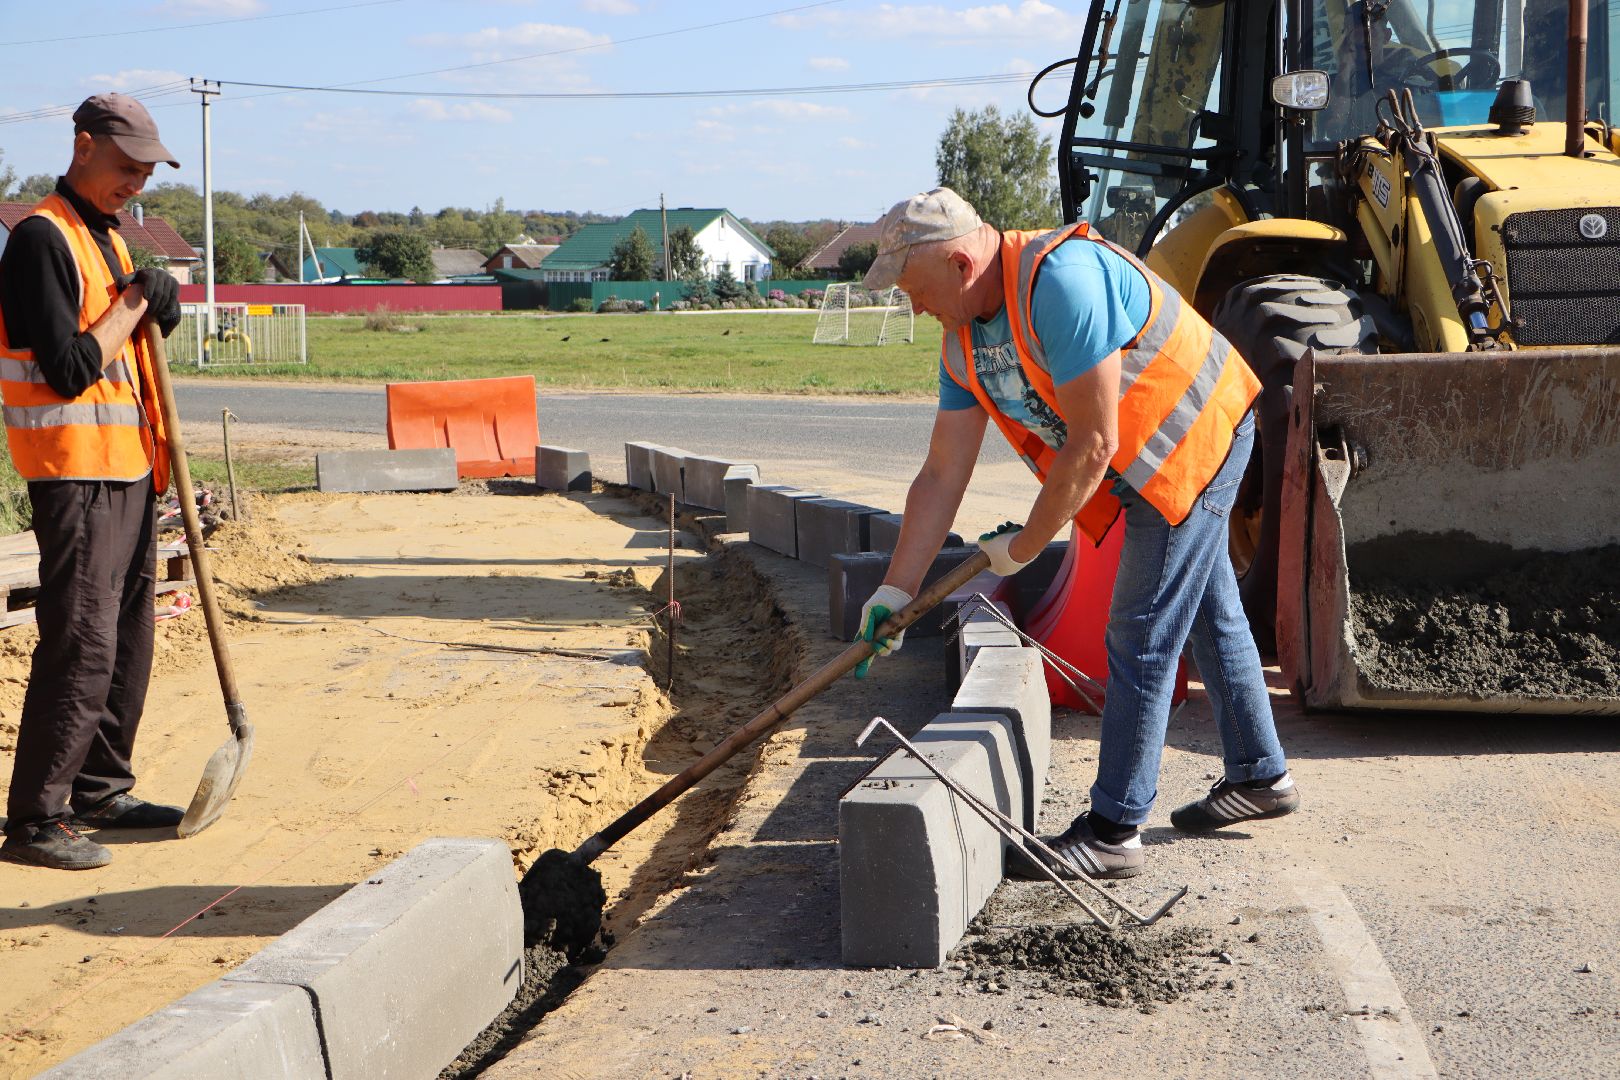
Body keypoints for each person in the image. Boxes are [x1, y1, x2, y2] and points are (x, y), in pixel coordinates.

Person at [855, 188, 1298, 879]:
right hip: (1136, 459)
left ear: (962, 263)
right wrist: (894, 588)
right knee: (1208, 609)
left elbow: (1092, 443)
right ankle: (1259, 776)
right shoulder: (961, 345)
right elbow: (941, 474)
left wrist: (1028, 543)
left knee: (1140, 630)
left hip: (1195, 432)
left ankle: (1114, 830)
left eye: (915, 289)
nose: (914, 308)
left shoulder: (1057, 281)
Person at [0, 93, 184, 870]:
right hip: (74, 472)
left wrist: (157, 307)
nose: (135, 184)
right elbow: (71, 367)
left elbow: (128, 344)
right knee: (81, 642)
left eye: (146, 173)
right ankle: (36, 818)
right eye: (126, 168)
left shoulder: (106, 236)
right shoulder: (42, 239)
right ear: (82, 147)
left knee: (129, 638)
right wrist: (139, 301)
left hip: (132, 467)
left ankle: (102, 788)